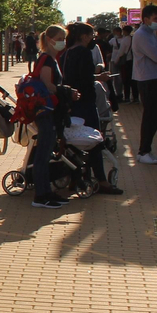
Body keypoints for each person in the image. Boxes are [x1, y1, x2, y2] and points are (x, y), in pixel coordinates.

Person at [62, 22, 124, 196]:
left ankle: (76, 178)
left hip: (71, 102)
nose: (92, 39)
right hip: (85, 102)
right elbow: (85, 78)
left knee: (75, 142)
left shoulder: (67, 53)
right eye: (90, 35)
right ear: (83, 36)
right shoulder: (83, 52)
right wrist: (99, 78)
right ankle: (102, 180)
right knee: (94, 139)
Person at [28, 25, 69, 209]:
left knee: (45, 153)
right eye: (60, 38)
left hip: (49, 111)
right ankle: (40, 195)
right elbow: (47, 85)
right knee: (42, 155)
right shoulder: (46, 59)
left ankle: (46, 192)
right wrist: (66, 91)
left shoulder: (51, 58)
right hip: (45, 111)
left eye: (64, 38)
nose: (62, 41)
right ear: (50, 39)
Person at [130, 5, 157, 164]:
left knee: (154, 116)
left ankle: (147, 149)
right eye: (155, 19)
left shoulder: (150, 34)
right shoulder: (142, 35)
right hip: (147, 78)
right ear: (145, 19)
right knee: (150, 116)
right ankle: (143, 150)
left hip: (153, 77)